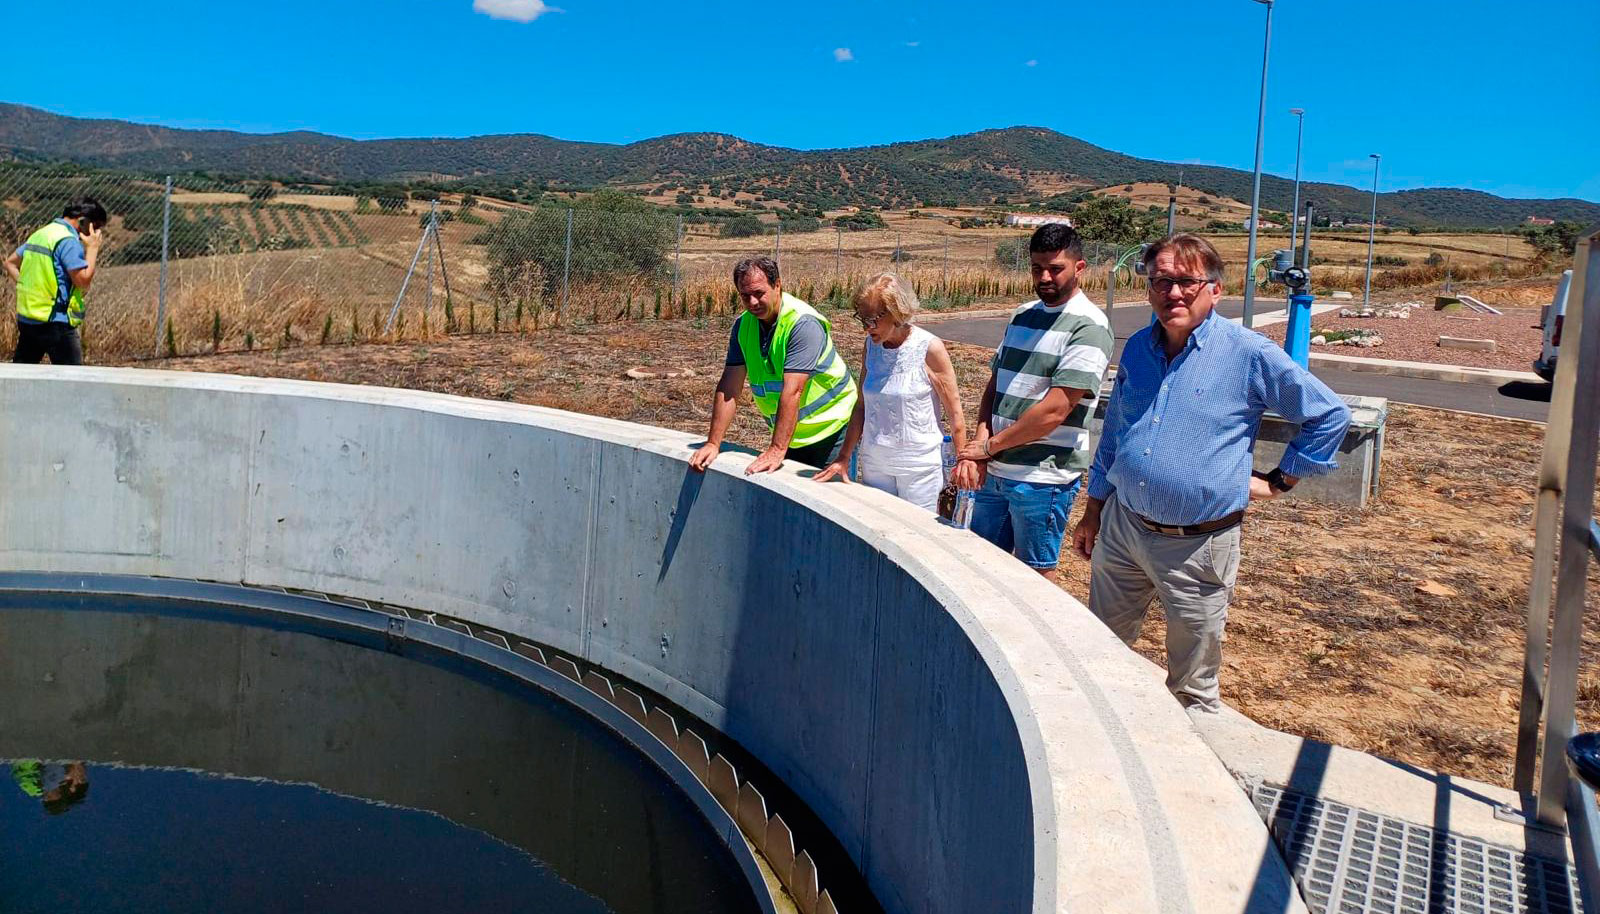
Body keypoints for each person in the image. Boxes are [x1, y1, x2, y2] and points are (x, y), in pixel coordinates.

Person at [1072, 233, 1351, 713]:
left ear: (1215, 290)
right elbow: (1115, 432)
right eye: (1161, 281)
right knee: (1099, 652)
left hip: (1197, 546)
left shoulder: (1249, 354)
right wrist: (1094, 510)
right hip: (1122, 530)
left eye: (1186, 282)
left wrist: (1282, 479)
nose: (1172, 292)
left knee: (1192, 687)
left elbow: (1329, 415)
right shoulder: (1138, 348)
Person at [956, 223, 1113, 576]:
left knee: (1034, 578)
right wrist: (982, 445)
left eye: (1056, 269)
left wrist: (989, 447)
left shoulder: (1088, 327)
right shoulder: (1023, 315)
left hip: (1041, 478)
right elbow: (995, 388)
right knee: (980, 569)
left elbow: (1055, 411)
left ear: (1080, 268)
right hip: (994, 470)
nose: (1045, 277)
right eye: (1036, 268)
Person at [812, 273, 967, 511]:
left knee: (916, 538)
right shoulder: (871, 348)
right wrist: (843, 457)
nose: (867, 328)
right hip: (875, 464)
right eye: (862, 319)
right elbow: (862, 406)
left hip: (919, 468)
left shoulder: (929, 348)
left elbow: (956, 414)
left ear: (896, 312)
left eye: (872, 319)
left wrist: (961, 464)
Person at [689, 257, 858, 474]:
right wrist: (713, 443)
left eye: (759, 293)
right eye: (745, 296)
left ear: (777, 285)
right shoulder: (743, 326)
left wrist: (777, 449)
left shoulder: (802, 323)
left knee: (833, 498)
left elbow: (793, 391)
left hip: (832, 428)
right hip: (794, 433)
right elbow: (730, 387)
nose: (752, 303)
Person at [3, 198, 108, 365]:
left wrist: (25, 285)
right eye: (95, 227)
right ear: (84, 221)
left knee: (23, 374)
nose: (95, 233)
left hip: (28, 318)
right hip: (55, 321)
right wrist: (93, 249)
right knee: (72, 380)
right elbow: (83, 281)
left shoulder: (41, 234)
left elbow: (10, 263)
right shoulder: (68, 241)